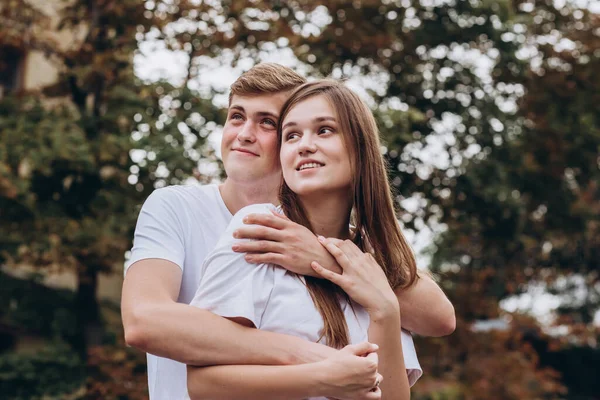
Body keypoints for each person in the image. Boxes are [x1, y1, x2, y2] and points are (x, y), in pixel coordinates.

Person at [121, 64, 455, 400]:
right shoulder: (220, 218)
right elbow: (144, 322)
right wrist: (318, 365)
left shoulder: (362, 256)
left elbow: (439, 318)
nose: (245, 134)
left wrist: (328, 262)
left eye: (268, 122)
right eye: (236, 116)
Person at [186, 80, 422, 400]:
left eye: (324, 130)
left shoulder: (372, 264)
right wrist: (321, 378)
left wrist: (385, 310)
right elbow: (202, 383)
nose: (304, 145)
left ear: (360, 147)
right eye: (292, 135)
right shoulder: (260, 228)